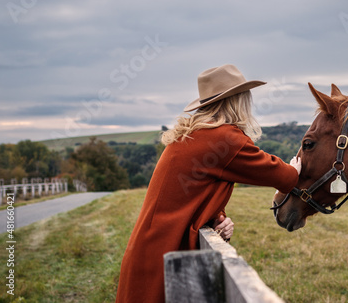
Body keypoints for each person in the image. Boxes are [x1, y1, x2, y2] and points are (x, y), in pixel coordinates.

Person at [115, 64, 301, 302]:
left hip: (152, 249)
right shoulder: (224, 139)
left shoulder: (191, 135)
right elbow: (284, 178)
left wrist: (217, 218)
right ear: (238, 101)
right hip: (167, 254)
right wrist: (295, 168)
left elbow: (192, 191)